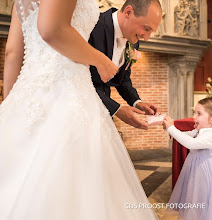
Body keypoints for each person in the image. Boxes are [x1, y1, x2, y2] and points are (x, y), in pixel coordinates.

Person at [0, 0, 159, 219]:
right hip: (67, 94)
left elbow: (12, 52)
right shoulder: (100, 28)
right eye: (147, 29)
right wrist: (100, 60)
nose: (147, 36)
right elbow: (52, 29)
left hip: (32, 93)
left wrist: (11, 107)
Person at [89, 0, 161, 130]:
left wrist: (137, 102)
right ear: (128, 12)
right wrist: (117, 109)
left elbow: (123, 80)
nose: (146, 38)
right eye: (146, 28)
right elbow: (80, 79)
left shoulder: (133, 41)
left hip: (102, 116)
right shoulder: (93, 26)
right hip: (80, 109)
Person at [163, 96, 212, 220]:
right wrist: (169, 129)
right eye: (195, 113)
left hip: (207, 177)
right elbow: (183, 136)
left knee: (204, 204)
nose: (194, 116)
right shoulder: (199, 131)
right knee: (195, 201)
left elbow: (191, 143)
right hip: (197, 173)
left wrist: (171, 128)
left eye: (199, 114)